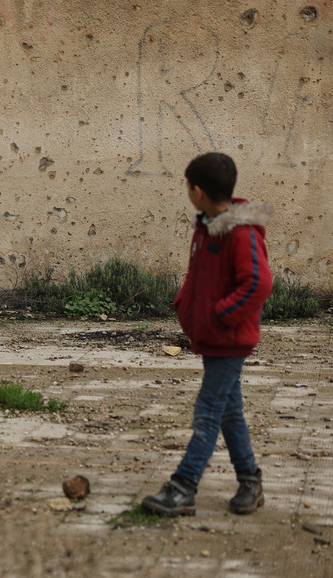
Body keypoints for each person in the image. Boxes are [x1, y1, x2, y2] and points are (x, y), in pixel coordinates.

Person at [142, 152, 273, 516]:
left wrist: (218, 316)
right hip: (215, 337)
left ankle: (183, 487)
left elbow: (258, 284)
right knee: (229, 412)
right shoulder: (207, 227)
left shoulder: (239, 234)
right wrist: (185, 305)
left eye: (187, 186)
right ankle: (251, 481)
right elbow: (198, 280)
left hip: (229, 339)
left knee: (208, 412)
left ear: (197, 191)